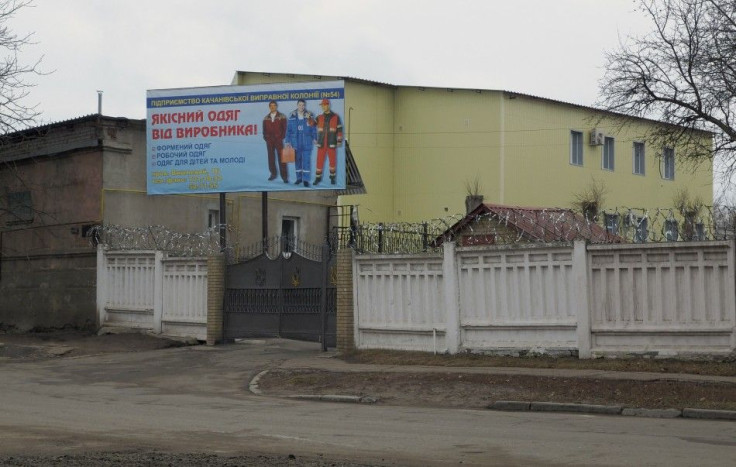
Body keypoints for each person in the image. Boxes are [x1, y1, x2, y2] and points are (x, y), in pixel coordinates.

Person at [285, 99, 316, 187]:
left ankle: (305, 180)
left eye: (303, 105)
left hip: (307, 142)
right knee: (297, 161)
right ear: (297, 105)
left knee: (306, 161)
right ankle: (299, 179)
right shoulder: (292, 116)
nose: (301, 107)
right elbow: (288, 130)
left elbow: (313, 128)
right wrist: (287, 141)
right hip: (296, 142)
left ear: (305, 106)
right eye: (300, 105)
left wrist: (314, 138)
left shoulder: (309, 115)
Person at [313, 98, 343, 185]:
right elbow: (312, 125)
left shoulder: (336, 117)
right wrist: (309, 118)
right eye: (322, 105)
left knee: (332, 162)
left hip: (331, 143)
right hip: (321, 143)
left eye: (324, 105)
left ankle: (332, 177)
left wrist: (339, 140)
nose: (323, 107)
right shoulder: (319, 117)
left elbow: (340, 129)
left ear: (328, 105)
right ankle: (318, 178)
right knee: (319, 161)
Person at [262, 100, 288, 182]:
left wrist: (281, 138)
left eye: (274, 105)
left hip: (278, 140)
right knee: (271, 158)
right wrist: (267, 138)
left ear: (276, 106)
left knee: (281, 158)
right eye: (271, 106)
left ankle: (284, 177)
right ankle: (273, 174)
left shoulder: (282, 116)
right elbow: (264, 130)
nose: (272, 107)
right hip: (269, 141)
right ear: (269, 107)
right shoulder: (266, 118)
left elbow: (285, 129)